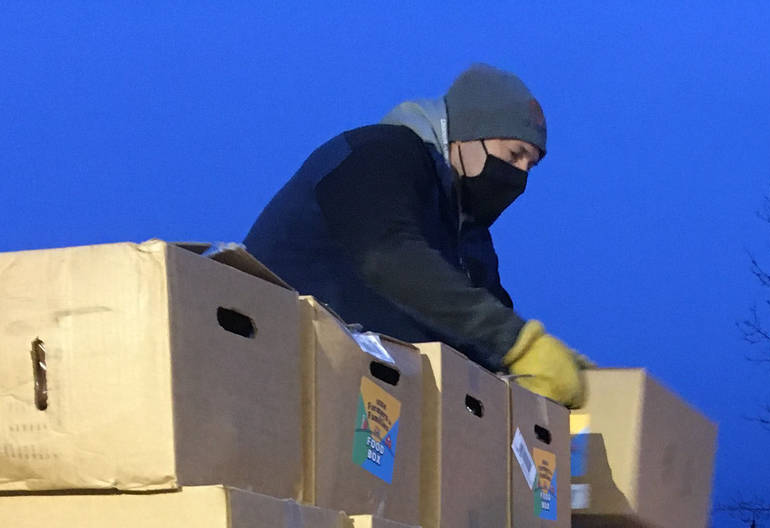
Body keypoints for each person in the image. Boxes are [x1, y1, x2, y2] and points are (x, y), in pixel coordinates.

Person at [247, 64, 586, 407]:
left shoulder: (470, 239)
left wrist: (554, 370)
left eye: (532, 165)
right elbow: (389, 256)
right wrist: (519, 343)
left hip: (371, 411)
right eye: (515, 155)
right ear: (467, 134)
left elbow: (485, 331)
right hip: (273, 367)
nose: (520, 176)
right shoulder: (381, 155)